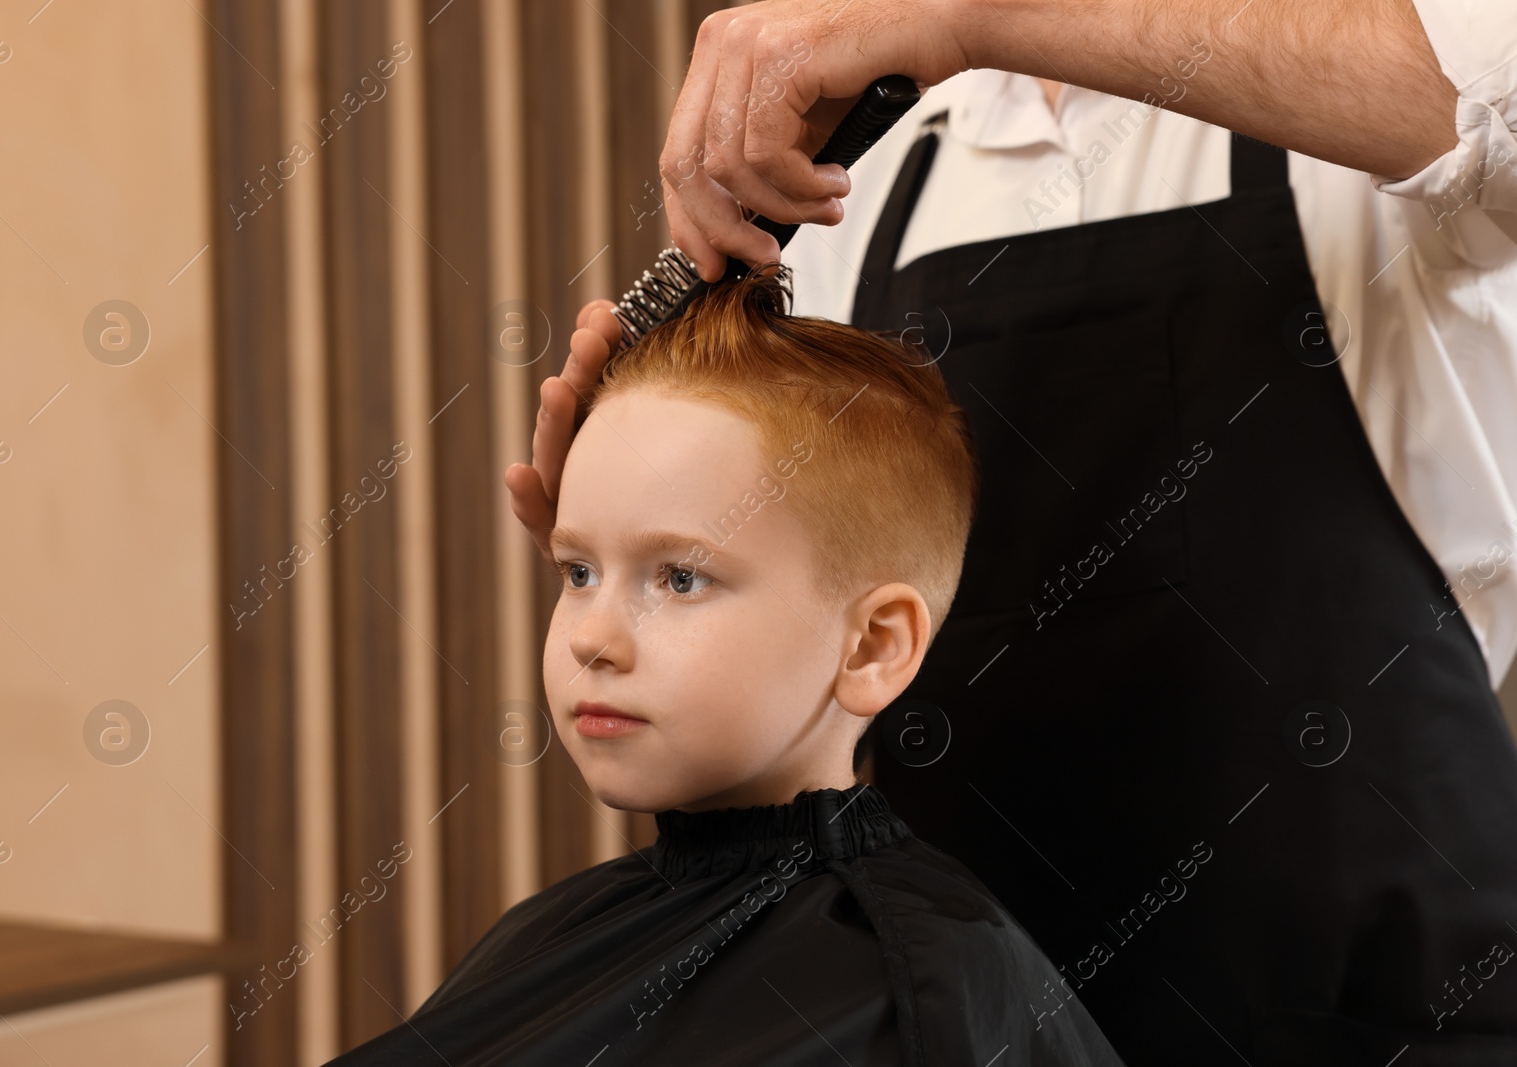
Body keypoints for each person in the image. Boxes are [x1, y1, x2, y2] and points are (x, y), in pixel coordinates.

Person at [510, 1, 1517, 1061]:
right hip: (972, 1015)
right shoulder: (869, 164)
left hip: (1389, 1015)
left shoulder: (1376, 67)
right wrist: (636, 516)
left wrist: (968, 17)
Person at [333, 269, 1124, 1064]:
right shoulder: (551, 933)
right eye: (578, 571)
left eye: (680, 578)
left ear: (875, 645)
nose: (592, 639)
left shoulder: (913, 997)